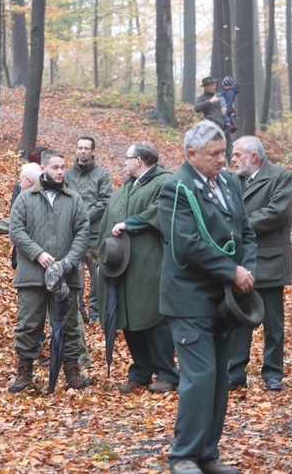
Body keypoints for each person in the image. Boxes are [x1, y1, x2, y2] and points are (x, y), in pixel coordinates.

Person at [158, 120, 256, 474]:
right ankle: (183, 456)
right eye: (214, 154)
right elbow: (187, 244)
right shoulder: (175, 188)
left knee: (218, 380)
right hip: (189, 300)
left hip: (225, 302)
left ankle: (207, 455)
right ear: (191, 154)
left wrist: (248, 269)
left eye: (223, 152)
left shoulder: (228, 182)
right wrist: (231, 271)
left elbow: (246, 231)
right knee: (199, 377)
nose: (222, 159)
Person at [8, 149, 93, 392]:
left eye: (62, 167)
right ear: (43, 169)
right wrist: (38, 253)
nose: (60, 171)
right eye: (55, 167)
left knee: (68, 324)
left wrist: (68, 262)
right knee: (28, 324)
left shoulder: (74, 199)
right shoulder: (25, 198)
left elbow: (82, 233)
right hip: (31, 275)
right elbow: (16, 231)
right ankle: (24, 372)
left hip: (65, 277)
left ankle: (72, 371)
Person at [97, 142, 179, 394]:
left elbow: (161, 211)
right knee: (129, 318)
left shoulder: (166, 182)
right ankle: (141, 371)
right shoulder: (127, 186)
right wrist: (102, 258)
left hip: (150, 264)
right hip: (122, 266)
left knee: (154, 318)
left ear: (140, 160)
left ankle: (167, 373)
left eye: (127, 158)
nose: (124, 162)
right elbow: (107, 222)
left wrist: (131, 223)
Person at [228, 137, 292, 392]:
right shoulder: (232, 180)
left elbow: (277, 213)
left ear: (253, 157)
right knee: (239, 319)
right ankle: (235, 372)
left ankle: (273, 373)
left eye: (236, 154)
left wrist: (239, 225)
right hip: (240, 263)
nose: (232, 159)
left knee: (273, 322)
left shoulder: (280, 177)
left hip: (269, 261)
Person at [63, 135, 112, 324]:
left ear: (93, 152)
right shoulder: (67, 174)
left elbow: (105, 201)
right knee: (75, 275)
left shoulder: (102, 175)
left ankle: (95, 312)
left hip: (93, 235)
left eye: (86, 148)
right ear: (76, 150)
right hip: (73, 235)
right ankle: (78, 311)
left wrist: (85, 217)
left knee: (97, 274)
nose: (82, 151)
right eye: (80, 148)